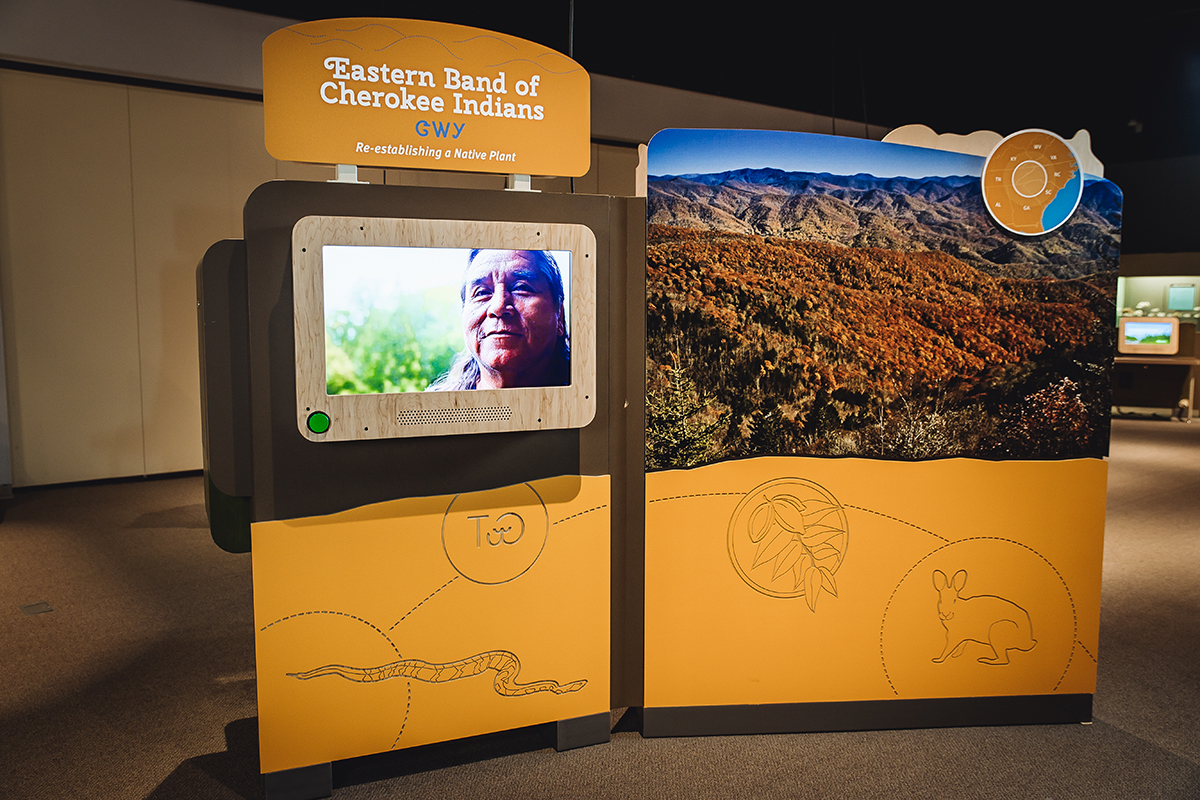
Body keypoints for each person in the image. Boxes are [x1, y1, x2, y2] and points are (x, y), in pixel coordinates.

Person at [428, 249, 569, 390]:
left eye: (521, 287)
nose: (498, 307)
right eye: (481, 293)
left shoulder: (580, 397)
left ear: (560, 316)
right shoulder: (436, 403)